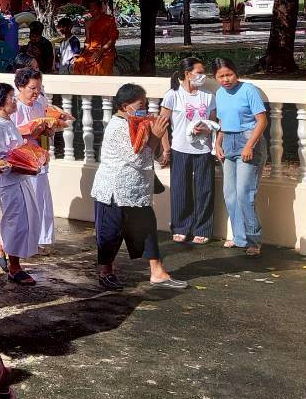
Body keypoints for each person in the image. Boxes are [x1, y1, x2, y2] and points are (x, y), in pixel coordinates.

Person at [91, 84, 187, 291]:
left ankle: (157, 271)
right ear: (126, 106)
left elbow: (146, 152)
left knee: (147, 228)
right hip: (115, 190)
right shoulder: (117, 127)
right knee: (110, 233)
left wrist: (159, 139)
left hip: (137, 190)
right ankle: (105, 271)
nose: (145, 108)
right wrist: (156, 136)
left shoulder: (136, 122)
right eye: (140, 104)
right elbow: (137, 158)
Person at [0, 83, 41, 285]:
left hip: (20, 179)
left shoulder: (8, 122)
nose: (14, 100)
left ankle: (3, 249)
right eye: (10, 97)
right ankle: (14, 267)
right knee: (14, 222)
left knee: (25, 221)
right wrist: (17, 164)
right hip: (8, 182)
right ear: (0, 101)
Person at [212, 57, 268, 257]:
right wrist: (217, 143)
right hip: (228, 141)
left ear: (236, 73)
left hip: (248, 140)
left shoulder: (249, 90)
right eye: (221, 76)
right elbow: (222, 121)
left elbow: (262, 121)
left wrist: (249, 145)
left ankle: (253, 239)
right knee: (230, 193)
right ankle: (239, 237)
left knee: (245, 192)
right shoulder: (219, 94)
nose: (225, 79)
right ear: (215, 77)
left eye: (229, 74)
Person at [159, 57, 217, 245]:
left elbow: (215, 123)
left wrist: (207, 130)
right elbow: (162, 124)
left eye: (203, 72)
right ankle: (180, 226)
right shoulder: (173, 95)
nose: (203, 76)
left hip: (204, 149)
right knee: (180, 188)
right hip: (180, 147)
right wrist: (166, 149)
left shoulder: (208, 96)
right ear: (187, 74)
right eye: (199, 73)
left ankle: (202, 228)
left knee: (205, 189)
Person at [12, 68, 70, 249]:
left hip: (39, 155)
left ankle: (40, 239)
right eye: (32, 88)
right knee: (27, 201)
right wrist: (30, 130)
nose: (36, 93)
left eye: (38, 89)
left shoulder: (38, 105)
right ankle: (25, 240)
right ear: (21, 87)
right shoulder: (15, 107)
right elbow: (12, 132)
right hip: (23, 158)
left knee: (41, 198)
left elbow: (45, 130)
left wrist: (49, 127)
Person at [72, 0, 118, 76]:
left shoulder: (109, 20)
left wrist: (101, 51)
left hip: (106, 50)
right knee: (78, 63)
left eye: (94, 7)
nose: (91, 10)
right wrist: (83, 53)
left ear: (100, 8)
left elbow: (112, 38)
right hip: (91, 49)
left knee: (101, 68)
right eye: (90, 8)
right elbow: (87, 40)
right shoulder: (88, 22)